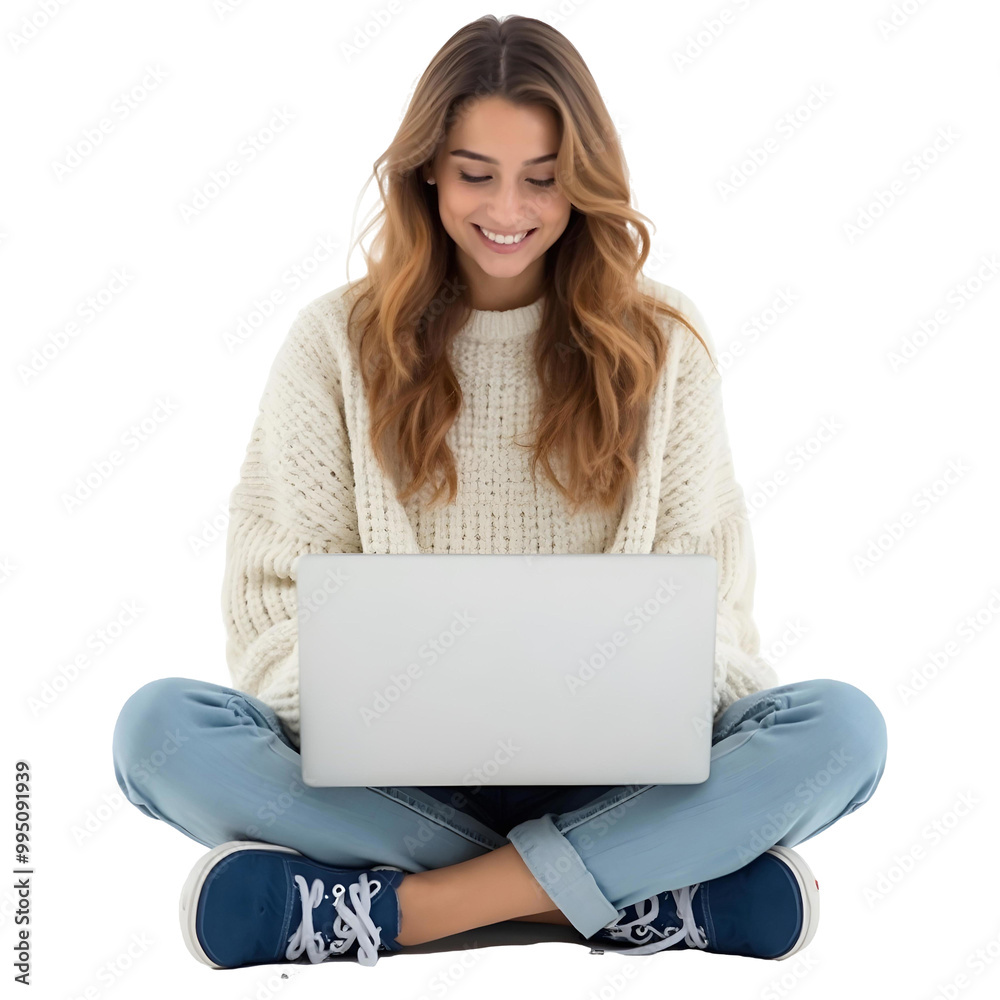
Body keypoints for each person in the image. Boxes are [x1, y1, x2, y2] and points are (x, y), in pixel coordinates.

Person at [111, 14, 888, 971]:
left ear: (586, 179)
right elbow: (272, 614)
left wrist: (639, 698)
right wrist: (391, 707)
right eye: (476, 173)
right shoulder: (332, 343)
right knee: (158, 731)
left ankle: (399, 913)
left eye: (544, 176)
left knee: (842, 730)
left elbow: (717, 620)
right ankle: (638, 893)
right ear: (427, 169)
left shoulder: (666, 342)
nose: (508, 208)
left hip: (618, 784)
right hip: (394, 791)